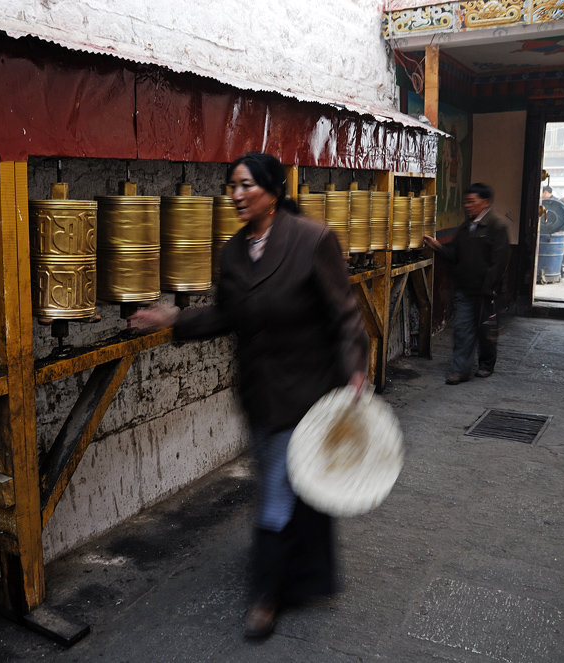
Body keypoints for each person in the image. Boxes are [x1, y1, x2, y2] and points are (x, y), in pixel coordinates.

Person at [128, 152, 368, 638]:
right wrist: (175, 318)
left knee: (275, 494)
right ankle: (304, 576)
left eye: (246, 185)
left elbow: (345, 316)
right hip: (259, 391)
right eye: (231, 186)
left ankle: (265, 597)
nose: (236, 195)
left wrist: (355, 372)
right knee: (289, 485)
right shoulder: (234, 252)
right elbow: (227, 316)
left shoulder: (312, 240)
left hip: (305, 390)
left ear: (273, 190)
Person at [423, 183, 509, 385]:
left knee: (485, 332)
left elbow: (499, 262)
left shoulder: (496, 227)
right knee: (462, 330)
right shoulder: (465, 227)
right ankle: (460, 370)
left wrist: (489, 291)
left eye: (472, 201)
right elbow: (455, 254)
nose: (467, 206)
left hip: (486, 292)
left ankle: (486, 365)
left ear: (485, 202)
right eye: (466, 202)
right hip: (464, 290)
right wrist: (438, 247)